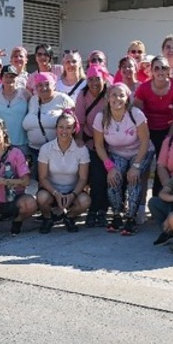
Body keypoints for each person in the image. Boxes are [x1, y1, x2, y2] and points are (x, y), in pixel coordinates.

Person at [93, 83, 155, 235]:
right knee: (114, 178)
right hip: (116, 153)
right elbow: (99, 145)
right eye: (113, 95)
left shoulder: (136, 114)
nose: (117, 98)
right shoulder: (101, 117)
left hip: (140, 151)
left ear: (127, 98)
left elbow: (145, 141)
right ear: (108, 98)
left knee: (133, 179)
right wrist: (109, 167)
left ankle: (131, 218)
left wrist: (136, 166)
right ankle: (116, 215)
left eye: (121, 95)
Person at [133, 55, 173, 195]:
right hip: (147, 130)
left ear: (169, 70)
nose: (160, 71)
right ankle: (139, 202)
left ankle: (158, 196)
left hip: (168, 129)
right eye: (157, 68)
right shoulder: (144, 88)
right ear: (152, 71)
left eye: (164, 68)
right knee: (144, 165)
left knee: (163, 165)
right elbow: (137, 113)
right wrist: (144, 137)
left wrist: (169, 137)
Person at [36, 111, 91, 233]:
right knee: (41, 197)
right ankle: (48, 218)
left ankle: (69, 217)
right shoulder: (46, 149)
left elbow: (83, 178)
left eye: (68, 127)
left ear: (73, 130)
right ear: (56, 128)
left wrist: (73, 195)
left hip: (72, 191)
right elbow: (43, 177)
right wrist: (55, 193)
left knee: (85, 201)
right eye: (61, 127)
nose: (64, 131)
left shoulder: (82, 150)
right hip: (52, 190)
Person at [74, 63, 111, 227]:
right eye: (90, 79)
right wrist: (80, 141)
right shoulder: (82, 95)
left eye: (98, 78)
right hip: (91, 142)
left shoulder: (110, 93)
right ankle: (94, 209)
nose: (94, 83)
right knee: (96, 176)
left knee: (107, 177)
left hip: (111, 142)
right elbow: (79, 122)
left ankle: (104, 209)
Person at [22, 72, 75, 175]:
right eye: (40, 85)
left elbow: (76, 122)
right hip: (33, 152)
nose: (44, 88)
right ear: (36, 88)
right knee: (35, 185)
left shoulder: (63, 99)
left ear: (54, 85)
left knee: (52, 184)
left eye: (47, 84)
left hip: (56, 153)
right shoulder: (33, 100)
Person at [0, 65, 31, 160]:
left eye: (12, 76)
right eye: (6, 76)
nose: (9, 79)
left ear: (17, 78)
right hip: (2, 143)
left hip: (22, 143)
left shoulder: (25, 94)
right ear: (1, 78)